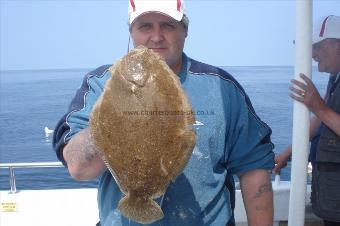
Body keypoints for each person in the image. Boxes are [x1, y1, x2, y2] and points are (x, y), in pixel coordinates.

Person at [53, 0, 275, 225]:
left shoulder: (222, 87)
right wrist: (111, 117)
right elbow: (79, 169)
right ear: (131, 32)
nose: (156, 36)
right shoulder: (101, 84)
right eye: (145, 26)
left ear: (185, 31)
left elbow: (254, 170)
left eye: (168, 25)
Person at [273, 15, 340, 226]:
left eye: (317, 46)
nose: (312, 54)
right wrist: (288, 152)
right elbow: (322, 119)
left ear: (337, 44)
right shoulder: (335, 78)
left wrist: (317, 105)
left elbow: (322, 112)